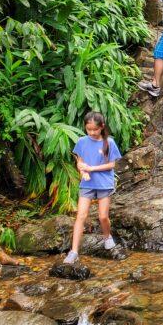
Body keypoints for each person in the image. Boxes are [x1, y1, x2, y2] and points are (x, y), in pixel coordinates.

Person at [63, 111, 123, 265]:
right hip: (87, 184)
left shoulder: (109, 142)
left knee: (103, 216)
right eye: (88, 129)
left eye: (94, 129)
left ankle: (107, 237)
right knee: (80, 216)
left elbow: (112, 164)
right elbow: (80, 162)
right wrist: (83, 172)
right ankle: (74, 251)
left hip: (104, 183)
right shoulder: (82, 142)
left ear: (102, 127)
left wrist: (91, 169)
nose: (91, 132)